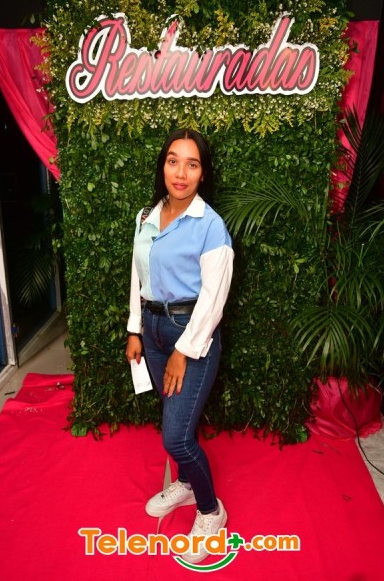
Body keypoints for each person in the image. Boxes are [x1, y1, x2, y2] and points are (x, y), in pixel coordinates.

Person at [125, 128, 234, 563]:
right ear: (163, 166)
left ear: (203, 173)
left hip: (192, 335)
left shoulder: (211, 226)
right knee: (177, 423)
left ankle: (210, 510)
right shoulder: (146, 216)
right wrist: (135, 329)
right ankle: (187, 485)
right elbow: (138, 275)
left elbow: (214, 299)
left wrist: (182, 351)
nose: (181, 172)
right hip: (152, 331)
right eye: (173, 161)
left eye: (192, 164)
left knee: (176, 436)